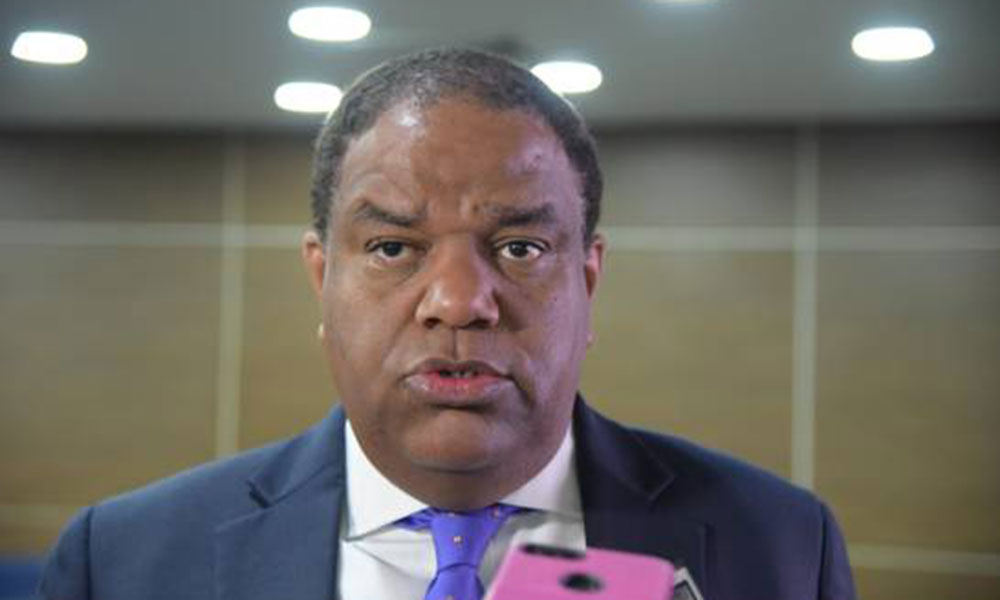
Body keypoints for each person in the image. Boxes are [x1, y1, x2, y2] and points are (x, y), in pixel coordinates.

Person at [39, 47, 855, 600]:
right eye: (394, 246)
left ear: (588, 277)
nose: (460, 302)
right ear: (323, 280)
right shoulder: (123, 562)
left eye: (521, 247)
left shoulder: (783, 548)